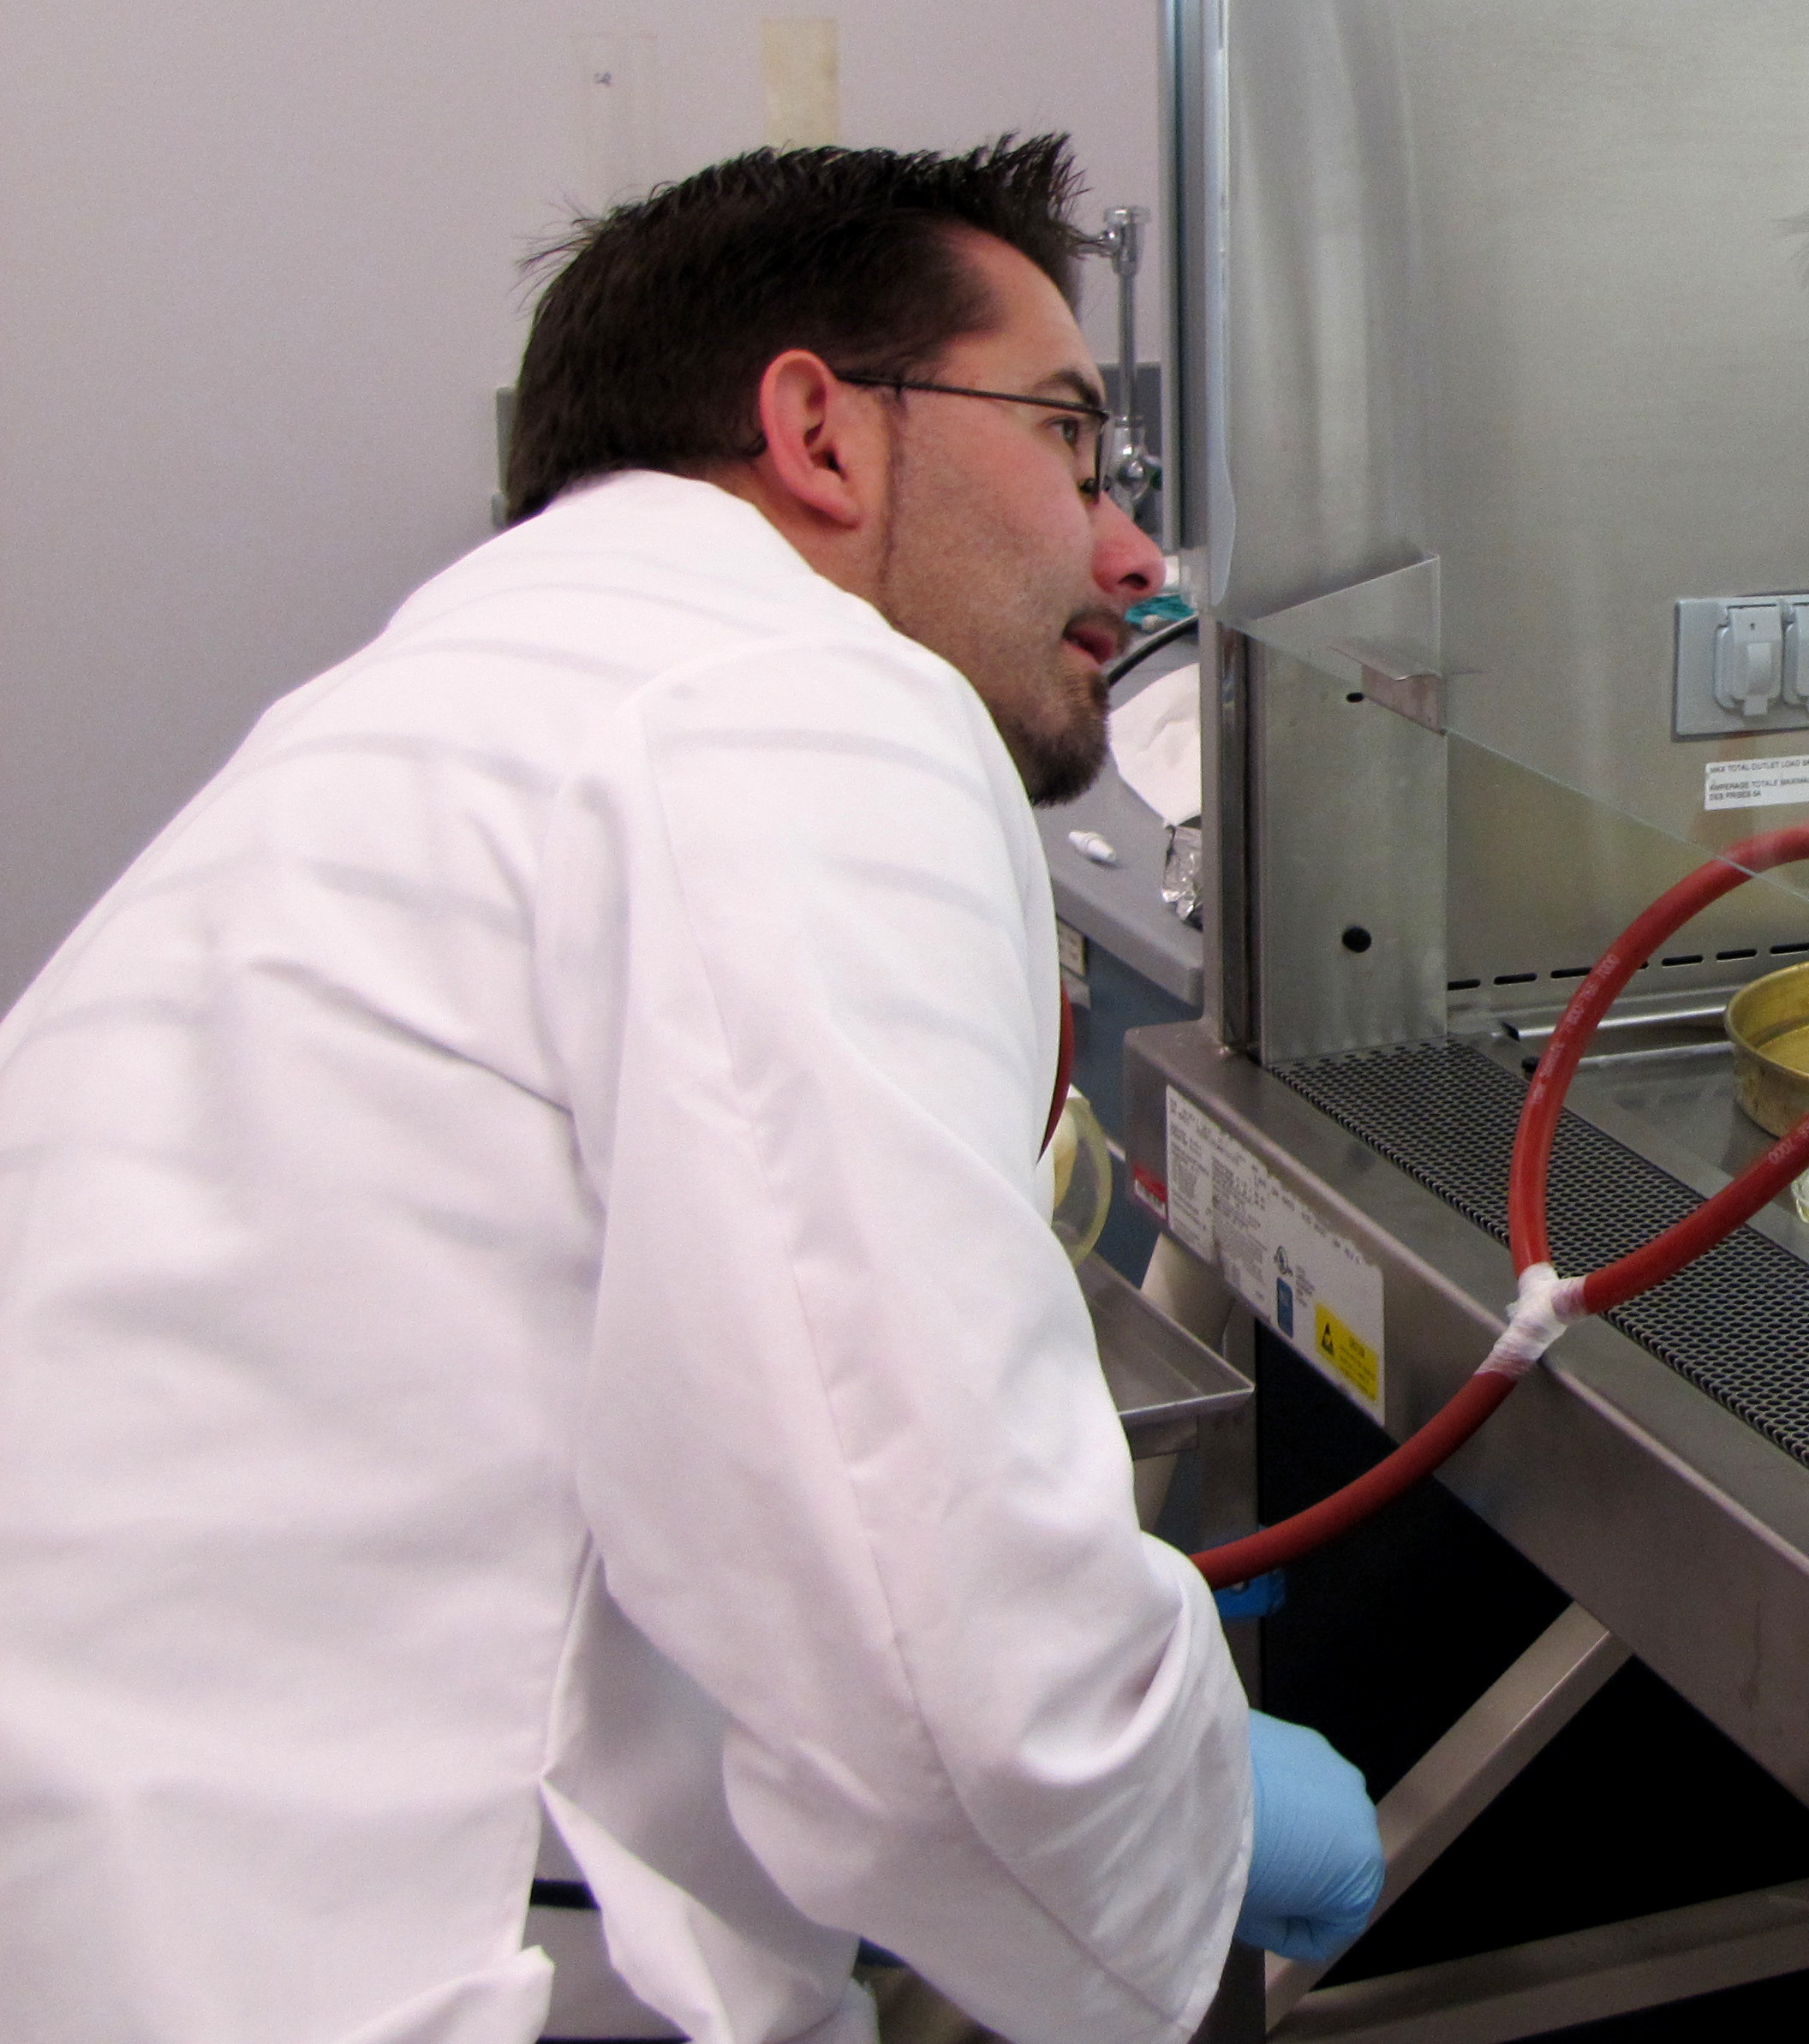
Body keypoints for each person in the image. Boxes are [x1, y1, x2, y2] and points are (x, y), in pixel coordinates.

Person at [0, 136, 1378, 2044]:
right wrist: (1187, 1816)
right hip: (318, 1958)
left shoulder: (454, 700)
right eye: (1071, 441)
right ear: (820, 432)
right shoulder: (782, 701)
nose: (1129, 550)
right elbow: (944, 1670)